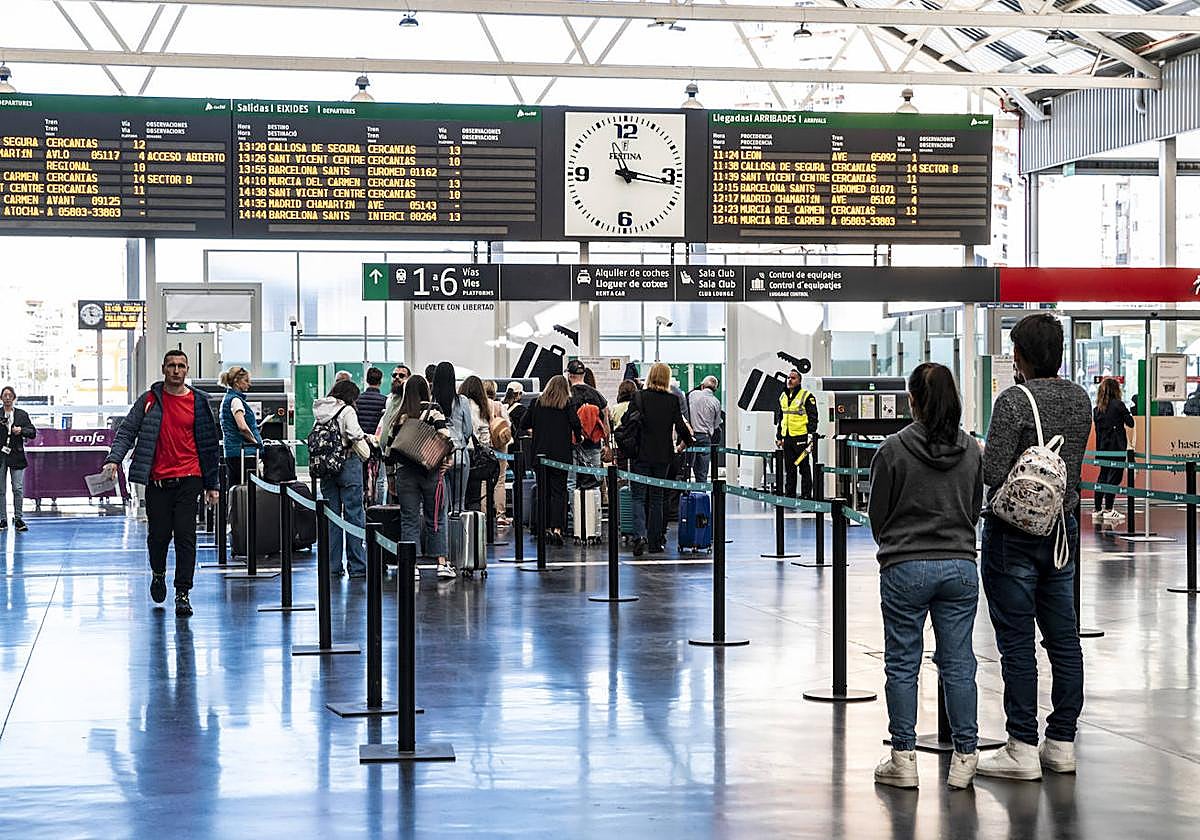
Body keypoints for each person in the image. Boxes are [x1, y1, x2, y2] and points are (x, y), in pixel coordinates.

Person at [977, 313, 1091, 781]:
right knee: (1064, 639)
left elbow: (992, 472)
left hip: (1013, 537)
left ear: (1020, 355)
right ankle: (1061, 742)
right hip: (1062, 531)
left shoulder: (1013, 400)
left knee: (1017, 643)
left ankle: (1021, 745)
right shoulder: (1080, 398)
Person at [868, 363, 984, 790]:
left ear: (912, 400)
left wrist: (897, 544)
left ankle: (903, 759)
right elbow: (974, 508)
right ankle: (965, 757)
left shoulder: (892, 450)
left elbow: (877, 514)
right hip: (960, 566)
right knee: (959, 662)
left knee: (903, 662)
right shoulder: (972, 450)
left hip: (905, 566)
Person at [103, 350, 220, 618]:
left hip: (190, 478)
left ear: (187, 369)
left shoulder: (199, 402)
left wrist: (212, 484)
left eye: (181, 366)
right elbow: (127, 431)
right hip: (157, 481)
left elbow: (209, 445)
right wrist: (114, 459)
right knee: (158, 537)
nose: (176, 370)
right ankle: (158, 573)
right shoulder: (149, 400)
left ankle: (183, 593)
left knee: (185, 536)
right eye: (171, 366)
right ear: (163, 369)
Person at [382, 375, 455, 581]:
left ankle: (411, 566)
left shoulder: (400, 416)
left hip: (405, 473)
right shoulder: (434, 410)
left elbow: (388, 450)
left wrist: (391, 478)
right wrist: (446, 459)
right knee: (436, 517)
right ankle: (441, 563)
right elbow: (446, 437)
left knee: (409, 519)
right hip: (431, 472)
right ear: (426, 390)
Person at [630, 362, 693, 556]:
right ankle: (655, 542)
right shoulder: (672, 400)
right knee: (657, 498)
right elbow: (682, 427)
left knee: (638, 497)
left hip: (640, 454)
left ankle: (639, 537)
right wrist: (686, 443)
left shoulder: (639, 397)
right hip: (663, 455)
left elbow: (628, 423)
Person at [312, 379, 372, 578]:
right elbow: (354, 434)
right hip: (348, 464)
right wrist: (366, 440)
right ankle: (357, 566)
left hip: (327, 468)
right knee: (354, 514)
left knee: (332, 517)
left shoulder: (321, 411)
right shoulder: (347, 410)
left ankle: (332, 566)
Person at [518, 375, 582, 546]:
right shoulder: (567, 404)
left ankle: (543, 528)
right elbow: (576, 424)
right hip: (561, 456)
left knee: (543, 492)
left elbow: (523, 424)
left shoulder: (536, 403)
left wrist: (536, 430)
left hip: (540, 455)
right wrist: (578, 438)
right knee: (559, 493)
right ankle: (557, 529)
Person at [432, 361, 473, 512]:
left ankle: (444, 525)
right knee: (459, 501)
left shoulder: (432, 402)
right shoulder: (462, 401)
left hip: (437, 455)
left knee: (442, 501)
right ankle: (458, 525)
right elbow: (468, 429)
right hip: (460, 453)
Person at [1092, 377, 1134, 521]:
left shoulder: (1097, 409)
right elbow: (1131, 423)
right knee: (1114, 478)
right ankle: (1109, 509)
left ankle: (1097, 509)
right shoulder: (1118, 405)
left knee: (1102, 476)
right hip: (1116, 447)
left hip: (1102, 448)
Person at [775, 368, 818, 499]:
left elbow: (813, 417)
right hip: (787, 438)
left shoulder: (806, 396)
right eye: (788, 378)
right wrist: (779, 436)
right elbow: (781, 418)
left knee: (804, 467)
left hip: (801, 438)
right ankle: (790, 495)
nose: (789, 380)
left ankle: (806, 495)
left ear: (799, 381)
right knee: (789, 468)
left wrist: (810, 435)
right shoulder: (783, 396)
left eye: (793, 378)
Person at [218, 366, 262, 485]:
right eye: (246, 380)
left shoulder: (227, 399)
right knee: (252, 488)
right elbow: (242, 427)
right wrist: (255, 442)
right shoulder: (236, 401)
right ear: (237, 382)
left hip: (232, 452)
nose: (249, 384)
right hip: (242, 453)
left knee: (235, 487)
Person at [0, 386, 36, 532]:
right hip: (1, 455)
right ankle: (2, 519)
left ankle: (18, 518)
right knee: (1, 489)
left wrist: (21, 430)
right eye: (5, 395)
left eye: (10, 395)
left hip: (16, 455)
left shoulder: (21, 414)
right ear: (1, 398)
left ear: (14, 398)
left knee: (18, 488)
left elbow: (32, 432)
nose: (7, 397)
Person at [566, 359, 609, 478]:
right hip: (593, 444)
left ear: (569, 375)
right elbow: (605, 423)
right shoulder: (597, 394)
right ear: (584, 374)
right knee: (594, 480)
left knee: (571, 482)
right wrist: (606, 445)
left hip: (572, 445)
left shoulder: (567, 396)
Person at [459, 375, 494, 513]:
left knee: (459, 495)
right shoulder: (481, 407)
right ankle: (475, 523)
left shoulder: (458, 404)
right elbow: (484, 432)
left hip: (460, 452)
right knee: (474, 494)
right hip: (475, 454)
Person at [484, 380, 511, 524]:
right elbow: (508, 424)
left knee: (483, 481)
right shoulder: (499, 405)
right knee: (500, 481)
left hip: (485, 446)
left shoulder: (480, 406)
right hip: (500, 445)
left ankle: (483, 514)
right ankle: (500, 515)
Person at [686, 376, 722, 482]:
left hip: (691, 436)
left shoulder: (693, 395)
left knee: (686, 468)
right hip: (705, 437)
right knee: (702, 471)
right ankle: (701, 491)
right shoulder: (716, 402)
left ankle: (687, 490)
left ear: (702, 386)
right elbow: (716, 425)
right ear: (715, 389)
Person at [356, 367, 388, 442]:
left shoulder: (357, 399)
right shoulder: (385, 400)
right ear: (380, 381)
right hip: (376, 440)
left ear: (367, 380)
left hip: (360, 440)